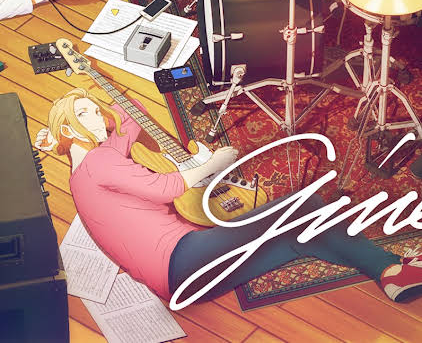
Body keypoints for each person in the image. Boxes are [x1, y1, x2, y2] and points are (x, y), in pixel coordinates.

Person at [36, 88, 422, 307]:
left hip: (182, 287)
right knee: (305, 205)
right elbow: (168, 188)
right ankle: (391, 267)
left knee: (297, 236)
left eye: (96, 113)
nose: (98, 120)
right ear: (67, 127)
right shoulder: (100, 162)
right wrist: (215, 163)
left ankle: (389, 273)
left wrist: (89, 98)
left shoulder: (81, 173)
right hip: (182, 258)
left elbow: (130, 118)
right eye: (84, 115)